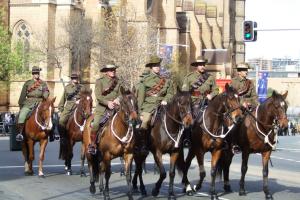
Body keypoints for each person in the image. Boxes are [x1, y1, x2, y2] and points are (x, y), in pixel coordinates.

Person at [137, 55, 174, 152]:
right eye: (155, 65)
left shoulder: (166, 80)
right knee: (145, 121)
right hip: (149, 105)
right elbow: (141, 97)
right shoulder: (145, 80)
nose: (157, 67)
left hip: (163, 105)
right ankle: (142, 144)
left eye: (158, 65)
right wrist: (140, 111)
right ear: (151, 67)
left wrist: (166, 99)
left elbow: (170, 92)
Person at [181, 56, 219, 147]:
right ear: (196, 66)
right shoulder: (189, 77)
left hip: (207, 102)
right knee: (189, 120)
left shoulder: (210, 77)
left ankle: (219, 138)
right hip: (194, 102)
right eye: (200, 65)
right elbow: (185, 92)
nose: (202, 66)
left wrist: (211, 95)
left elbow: (216, 90)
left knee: (219, 117)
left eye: (203, 65)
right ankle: (187, 139)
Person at [89, 64, 122, 153]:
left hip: (116, 108)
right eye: (111, 70)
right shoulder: (100, 81)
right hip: (102, 109)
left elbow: (121, 94)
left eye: (114, 70)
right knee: (95, 124)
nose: (113, 71)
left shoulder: (118, 81)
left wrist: (118, 99)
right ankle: (92, 144)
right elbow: (98, 96)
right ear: (106, 72)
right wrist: (108, 103)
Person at [230, 62, 258, 153]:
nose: (246, 72)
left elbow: (254, 96)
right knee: (236, 122)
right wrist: (242, 103)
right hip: (237, 108)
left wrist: (253, 104)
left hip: (249, 107)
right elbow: (231, 96)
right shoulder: (233, 82)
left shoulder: (250, 82)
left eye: (246, 70)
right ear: (239, 72)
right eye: (244, 70)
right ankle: (234, 143)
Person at [16, 66, 50, 141]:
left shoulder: (43, 83)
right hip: (29, 103)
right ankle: (20, 133)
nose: (37, 74)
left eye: (38, 73)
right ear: (33, 74)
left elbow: (46, 91)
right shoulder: (27, 83)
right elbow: (22, 96)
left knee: (49, 115)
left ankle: (51, 133)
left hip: (40, 103)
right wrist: (21, 106)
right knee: (22, 116)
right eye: (35, 73)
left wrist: (46, 94)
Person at [57, 72, 84, 141]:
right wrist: (60, 109)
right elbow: (63, 98)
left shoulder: (82, 87)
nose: (75, 79)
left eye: (76, 78)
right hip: (69, 107)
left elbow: (86, 97)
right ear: (71, 79)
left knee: (90, 121)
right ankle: (62, 137)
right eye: (73, 78)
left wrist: (80, 101)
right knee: (61, 120)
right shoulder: (67, 87)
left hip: (80, 107)